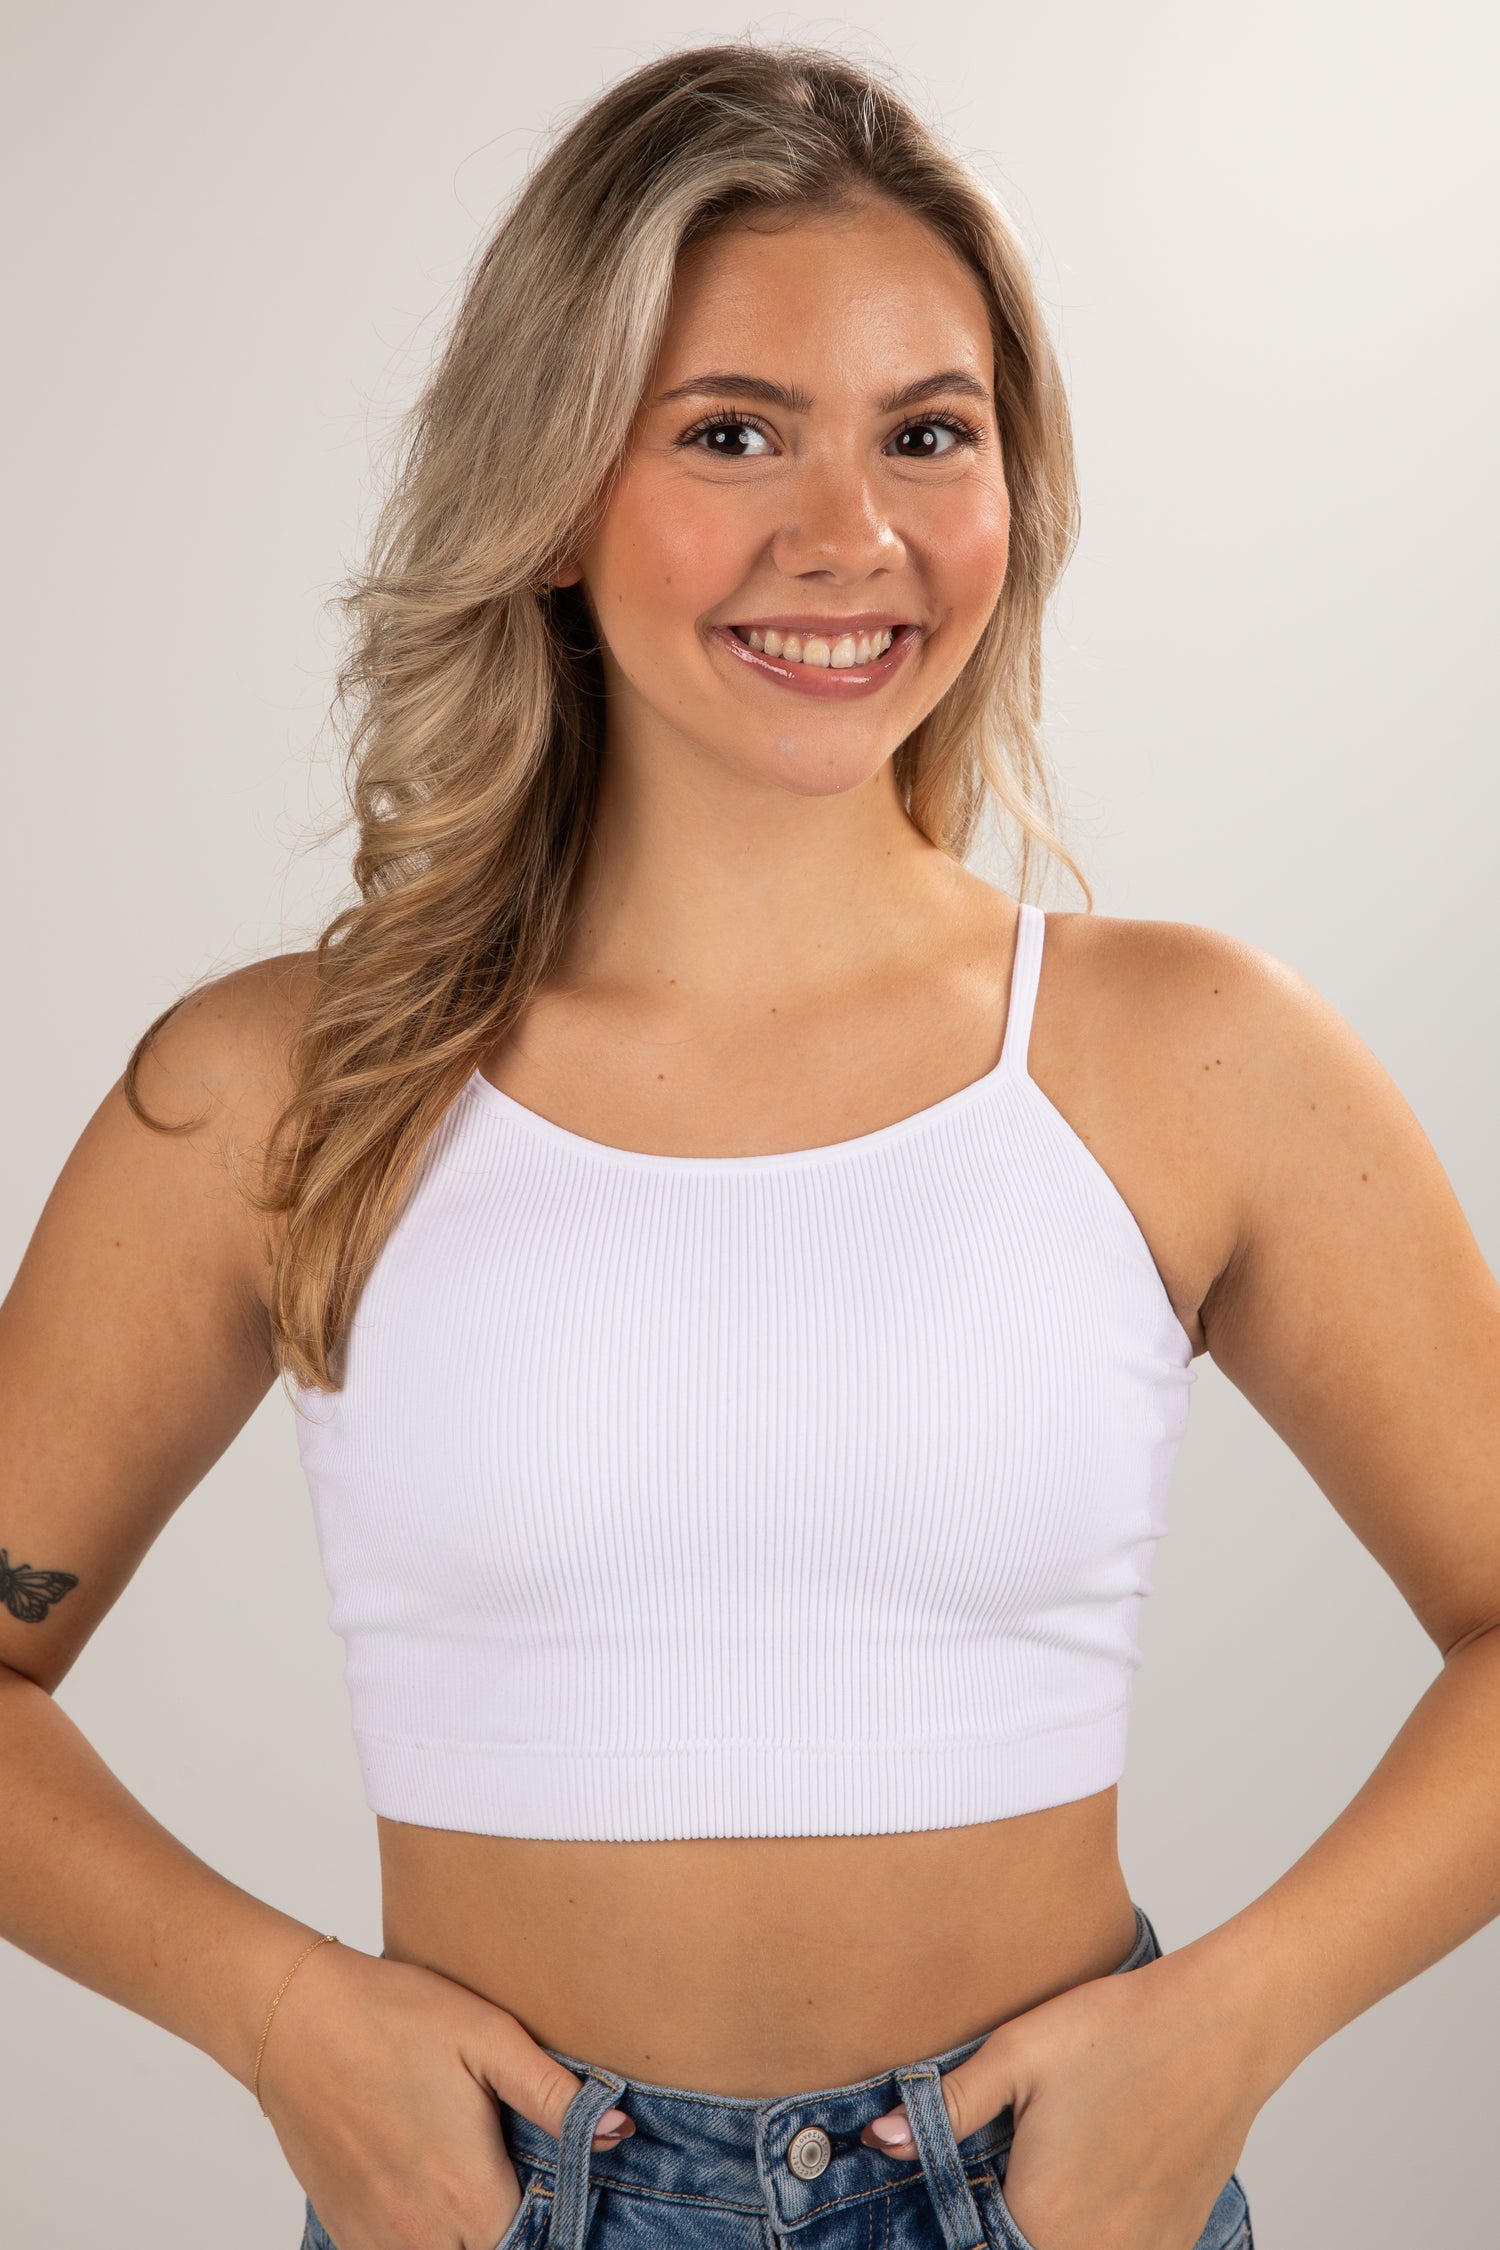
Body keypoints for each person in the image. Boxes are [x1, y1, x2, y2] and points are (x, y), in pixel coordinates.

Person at [3, 38, 1498, 2250]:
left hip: (1051, 2205)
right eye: (731, 434)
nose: (856, 537)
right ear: (552, 487)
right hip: (489, 2210)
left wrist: (1235, 2024)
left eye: (930, 435)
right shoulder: (289, 1091)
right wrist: (277, 2013)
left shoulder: (1187, 1057)